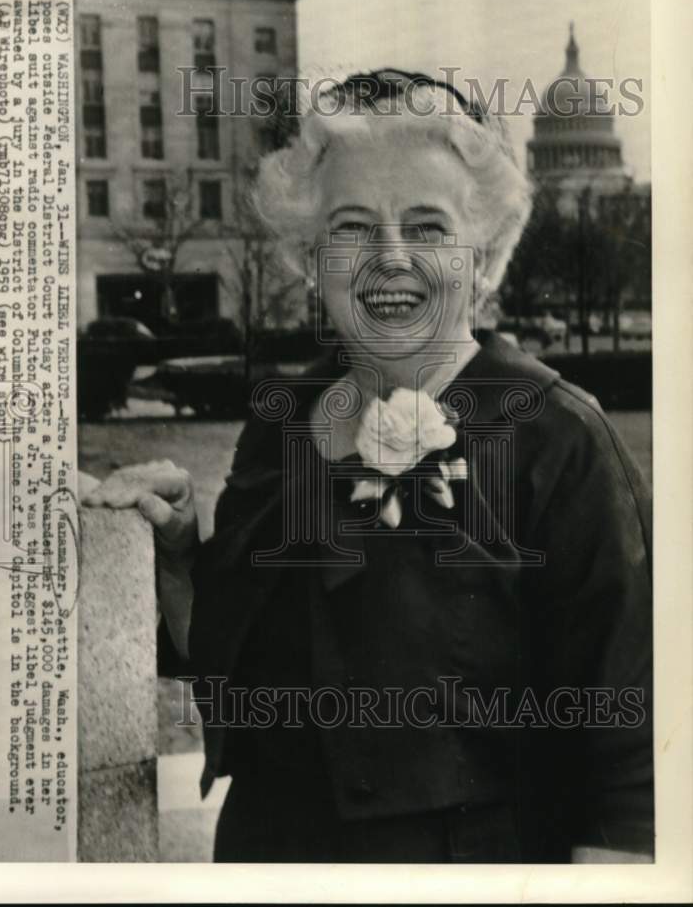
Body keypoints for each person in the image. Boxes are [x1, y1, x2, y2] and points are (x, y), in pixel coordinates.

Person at [84, 70, 653, 864]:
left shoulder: (557, 439)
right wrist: (183, 559)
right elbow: (232, 660)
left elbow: (632, 779)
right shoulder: (280, 419)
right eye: (352, 229)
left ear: (483, 257)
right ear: (311, 259)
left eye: (426, 228)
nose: (388, 260)